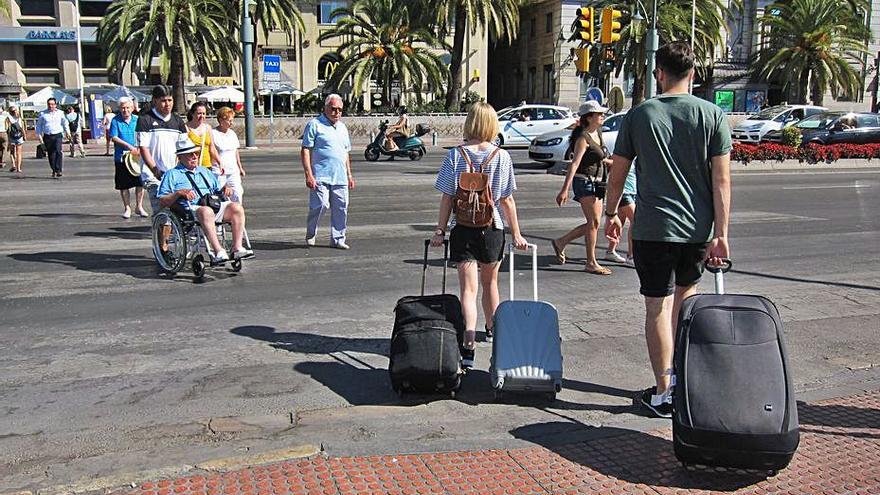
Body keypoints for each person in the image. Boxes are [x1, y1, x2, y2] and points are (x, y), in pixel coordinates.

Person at [604, 41, 732, 418]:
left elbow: (618, 173)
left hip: (653, 228)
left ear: (659, 73)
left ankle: (664, 390)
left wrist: (611, 213)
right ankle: (685, 382)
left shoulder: (640, 115)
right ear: (692, 74)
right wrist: (721, 233)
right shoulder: (712, 115)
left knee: (656, 307)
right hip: (697, 230)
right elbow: (721, 181)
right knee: (686, 302)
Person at [430, 102, 528, 369]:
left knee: (468, 290)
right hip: (492, 229)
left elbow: (447, 197)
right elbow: (506, 200)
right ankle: (495, 336)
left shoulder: (455, 155)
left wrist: (440, 231)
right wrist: (516, 234)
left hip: (463, 229)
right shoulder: (502, 157)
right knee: (491, 285)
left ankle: (469, 345)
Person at [157, 135, 253, 263]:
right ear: (180, 157)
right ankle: (218, 251)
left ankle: (237, 248)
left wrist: (225, 188)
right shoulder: (172, 174)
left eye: (196, 153)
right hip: (191, 209)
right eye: (190, 154)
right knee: (206, 211)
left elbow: (217, 189)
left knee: (236, 208)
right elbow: (162, 200)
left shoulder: (205, 171)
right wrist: (178, 193)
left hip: (212, 203)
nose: (195, 157)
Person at [550, 100, 613, 275]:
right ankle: (591, 262)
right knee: (593, 223)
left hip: (598, 182)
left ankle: (561, 242)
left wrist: (610, 162)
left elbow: (598, 157)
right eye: (599, 114)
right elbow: (575, 164)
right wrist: (564, 190)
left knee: (594, 223)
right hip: (584, 181)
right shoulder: (582, 138)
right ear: (589, 117)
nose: (602, 116)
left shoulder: (597, 133)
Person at [301, 94, 354, 250]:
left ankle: (338, 238)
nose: (336, 112)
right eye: (333, 109)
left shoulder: (343, 127)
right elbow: (305, 150)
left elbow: (345, 153)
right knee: (321, 205)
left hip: (340, 176)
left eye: (340, 110)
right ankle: (311, 233)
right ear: (325, 108)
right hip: (320, 175)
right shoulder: (314, 124)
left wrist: (349, 174)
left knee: (341, 208)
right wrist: (308, 174)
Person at [137, 85, 187, 214]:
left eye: (170, 100)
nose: (167, 104)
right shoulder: (145, 120)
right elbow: (143, 148)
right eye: (163, 100)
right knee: (162, 213)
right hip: (154, 176)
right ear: (155, 101)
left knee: (180, 213)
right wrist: (155, 170)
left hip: (174, 175)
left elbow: (184, 148)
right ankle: (160, 233)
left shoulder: (177, 121)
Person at [109, 97, 147, 218]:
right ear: (119, 109)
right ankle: (127, 208)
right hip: (122, 157)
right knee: (124, 184)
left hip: (136, 156)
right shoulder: (115, 121)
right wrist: (129, 146)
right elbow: (114, 137)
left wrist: (140, 148)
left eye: (127, 107)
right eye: (123, 108)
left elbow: (143, 135)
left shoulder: (137, 120)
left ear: (132, 108)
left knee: (140, 182)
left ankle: (139, 206)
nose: (125, 110)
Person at [211, 106, 246, 203]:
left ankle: (237, 214)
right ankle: (223, 215)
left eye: (232, 120)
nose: (232, 123)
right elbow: (212, 151)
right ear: (221, 120)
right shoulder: (213, 133)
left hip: (233, 170)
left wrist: (240, 167)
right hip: (219, 171)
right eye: (229, 121)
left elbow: (235, 151)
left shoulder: (232, 134)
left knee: (238, 193)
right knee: (222, 195)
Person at [35, 97, 71, 178]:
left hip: (57, 134)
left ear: (55, 105)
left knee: (58, 151)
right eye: (49, 104)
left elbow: (65, 123)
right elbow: (39, 126)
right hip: (48, 136)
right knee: (51, 154)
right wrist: (40, 137)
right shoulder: (42, 114)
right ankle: (54, 169)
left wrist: (67, 132)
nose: (51, 106)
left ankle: (59, 170)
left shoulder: (60, 113)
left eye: (52, 104)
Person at [186, 101, 219, 170]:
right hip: (191, 166)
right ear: (192, 114)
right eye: (199, 113)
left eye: (204, 113)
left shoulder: (207, 128)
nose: (202, 116)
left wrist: (220, 163)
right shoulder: (186, 128)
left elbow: (212, 148)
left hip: (207, 167)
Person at [5, 105, 25, 173]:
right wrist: (24, 136)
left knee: (12, 152)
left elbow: (7, 129)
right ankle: (18, 168)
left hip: (12, 137)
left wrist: (8, 138)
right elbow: (22, 128)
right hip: (19, 136)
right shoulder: (19, 118)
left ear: (9, 112)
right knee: (19, 153)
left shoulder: (8, 118)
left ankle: (13, 165)